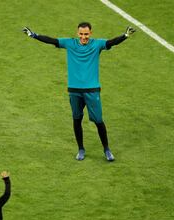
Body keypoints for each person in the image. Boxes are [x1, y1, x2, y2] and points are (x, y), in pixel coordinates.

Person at [23, 22, 136, 161]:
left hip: (92, 90)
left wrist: (125, 36)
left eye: (86, 34)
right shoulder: (70, 43)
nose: (84, 37)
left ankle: (107, 150)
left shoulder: (97, 44)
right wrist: (34, 35)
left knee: (99, 121)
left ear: (91, 33)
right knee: (77, 119)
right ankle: (81, 149)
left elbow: (111, 42)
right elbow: (52, 40)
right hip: (74, 90)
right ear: (78, 33)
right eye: (81, 34)